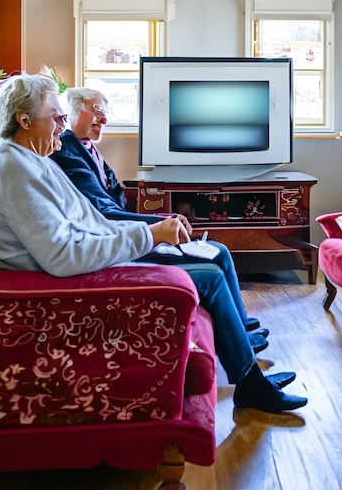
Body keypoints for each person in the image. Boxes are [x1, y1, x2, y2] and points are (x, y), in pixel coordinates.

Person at [0, 73, 307, 413]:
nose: (61, 124)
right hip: (62, 283)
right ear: (24, 120)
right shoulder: (10, 167)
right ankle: (251, 384)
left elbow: (90, 224)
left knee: (209, 263)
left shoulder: (28, 161)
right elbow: (63, 255)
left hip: (78, 266)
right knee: (210, 275)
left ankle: (249, 376)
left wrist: (148, 238)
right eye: (55, 116)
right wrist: (149, 235)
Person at [50, 86, 269, 353]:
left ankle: (242, 329)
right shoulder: (67, 153)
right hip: (118, 241)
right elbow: (103, 211)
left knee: (219, 251)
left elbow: (113, 198)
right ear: (71, 111)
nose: (104, 119)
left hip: (124, 230)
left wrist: (161, 218)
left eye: (105, 112)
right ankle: (240, 339)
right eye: (96, 110)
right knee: (216, 253)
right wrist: (159, 223)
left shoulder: (88, 149)